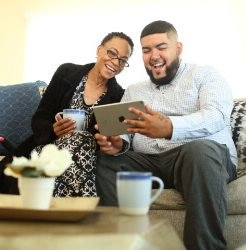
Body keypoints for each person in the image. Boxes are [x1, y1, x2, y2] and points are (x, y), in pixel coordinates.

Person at [95, 21, 237, 250]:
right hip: (150, 161)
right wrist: (117, 144)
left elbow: (217, 115)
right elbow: (126, 135)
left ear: (178, 48)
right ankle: (118, 244)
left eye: (161, 47)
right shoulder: (134, 90)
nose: (154, 56)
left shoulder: (205, 75)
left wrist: (170, 127)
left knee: (200, 150)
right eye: (146, 50)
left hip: (200, 159)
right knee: (106, 160)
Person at [0, 32, 134, 197]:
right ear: (99, 50)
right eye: (112, 53)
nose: (115, 62)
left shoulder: (119, 96)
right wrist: (54, 130)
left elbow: (110, 142)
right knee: (71, 145)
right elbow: (39, 119)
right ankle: (82, 209)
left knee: (81, 138)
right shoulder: (66, 73)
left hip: (85, 157)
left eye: (123, 60)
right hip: (49, 149)